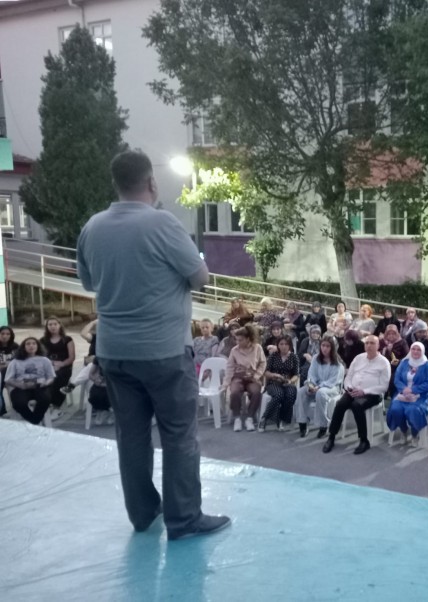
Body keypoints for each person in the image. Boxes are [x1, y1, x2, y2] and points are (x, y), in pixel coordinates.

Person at [77, 149, 230, 540]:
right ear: (151, 182)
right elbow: (200, 277)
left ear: (115, 183)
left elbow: (90, 283)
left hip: (114, 352)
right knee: (179, 436)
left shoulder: (92, 227)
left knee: (131, 436)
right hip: (163, 351)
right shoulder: (162, 223)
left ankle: (143, 514)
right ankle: (184, 519)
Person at [322, 335, 390, 455]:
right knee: (340, 404)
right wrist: (349, 387)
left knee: (356, 405)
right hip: (353, 390)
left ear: (378, 346)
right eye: (367, 343)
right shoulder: (358, 358)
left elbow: (384, 386)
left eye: (372, 343)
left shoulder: (384, 362)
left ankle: (364, 440)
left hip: (372, 394)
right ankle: (331, 437)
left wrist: (364, 391)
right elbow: (348, 377)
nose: (369, 345)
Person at [386, 342, 428, 446]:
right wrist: (404, 389)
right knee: (395, 409)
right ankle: (404, 430)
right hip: (402, 394)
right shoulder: (404, 363)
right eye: (413, 349)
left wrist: (413, 390)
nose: (415, 352)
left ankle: (414, 433)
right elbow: (397, 379)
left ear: (422, 351)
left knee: (412, 410)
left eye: (418, 350)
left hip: (420, 396)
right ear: (410, 350)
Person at [296, 335, 345, 438]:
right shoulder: (316, 358)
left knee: (321, 393)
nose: (325, 348)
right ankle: (303, 422)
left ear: (332, 348)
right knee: (301, 392)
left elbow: (333, 381)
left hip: (332, 387)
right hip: (316, 385)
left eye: (328, 346)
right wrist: (311, 385)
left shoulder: (337, 363)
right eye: (323, 345)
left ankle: (323, 425)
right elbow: (312, 374)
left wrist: (318, 387)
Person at [223, 324, 267, 433]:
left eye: (240, 340)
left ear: (248, 339)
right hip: (238, 376)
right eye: (236, 339)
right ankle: (237, 418)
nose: (237, 342)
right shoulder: (234, 350)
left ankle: (249, 418)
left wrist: (256, 376)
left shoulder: (257, 348)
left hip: (252, 377)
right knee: (234, 392)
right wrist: (226, 382)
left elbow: (263, 363)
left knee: (256, 392)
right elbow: (230, 367)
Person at [4, 337, 56, 425]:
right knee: (18, 403)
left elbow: (51, 377)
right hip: (21, 387)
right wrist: (21, 385)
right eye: (28, 344)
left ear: (38, 346)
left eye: (34, 343)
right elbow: (8, 379)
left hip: (40, 386)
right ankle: (34, 420)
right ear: (23, 347)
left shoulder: (44, 360)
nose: (31, 346)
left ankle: (34, 421)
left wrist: (46, 383)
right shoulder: (15, 362)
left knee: (45, 400)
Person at [261, 335, 300, 432]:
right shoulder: (273, 356)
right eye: (281, 344)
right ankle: (265, 418)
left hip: (287, 382)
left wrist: (290, 381)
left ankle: (282, 419)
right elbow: (266, 372)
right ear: (278, 345)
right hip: (273, 382)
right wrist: (275, 375)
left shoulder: (294, 357)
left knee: (291, 394)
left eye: (286, 344)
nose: (284, 346)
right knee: (279, 394)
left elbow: (296, 375)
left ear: (290, 345)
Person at [40, 316, 76, 418]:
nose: (53, 326)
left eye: (55, 324)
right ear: (47, 327)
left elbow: (72, 357)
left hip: (65, 367)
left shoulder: (67, 340)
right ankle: (44, 402)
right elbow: (40, 357)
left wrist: (62, 364)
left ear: (59, 325)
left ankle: (56, 407)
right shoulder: (43, 341)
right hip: (49, 366)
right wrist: (52, 365)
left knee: (58, 376)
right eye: (50, 324)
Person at [380, 324, 409, 396]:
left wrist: (398, 361)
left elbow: (407, 356)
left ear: (397, 333)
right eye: (389, 334)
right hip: (383, 365)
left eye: (393, 334)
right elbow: (377, 352)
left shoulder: (402, 342)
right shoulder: (381, 342)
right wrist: (385, 350)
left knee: (393, 378)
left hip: (397, 366)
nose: (391, 336)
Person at [87, 358, 114, 426]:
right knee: (94, 394)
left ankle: (110, 411)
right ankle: (102, 411)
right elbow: (90, 374)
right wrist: (96, 380)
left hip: (114, 384)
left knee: (108, 393)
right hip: (101, 382)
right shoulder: (98, 358)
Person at [0, 326, 20, 417]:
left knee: (12, 387)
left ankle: (16, 409)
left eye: (8, 334)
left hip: (12, 373)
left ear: (11, 335)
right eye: (2, 334)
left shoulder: (15, 346)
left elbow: (21, 361)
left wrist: (8, 365)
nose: (5, 336)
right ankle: (2, 410)